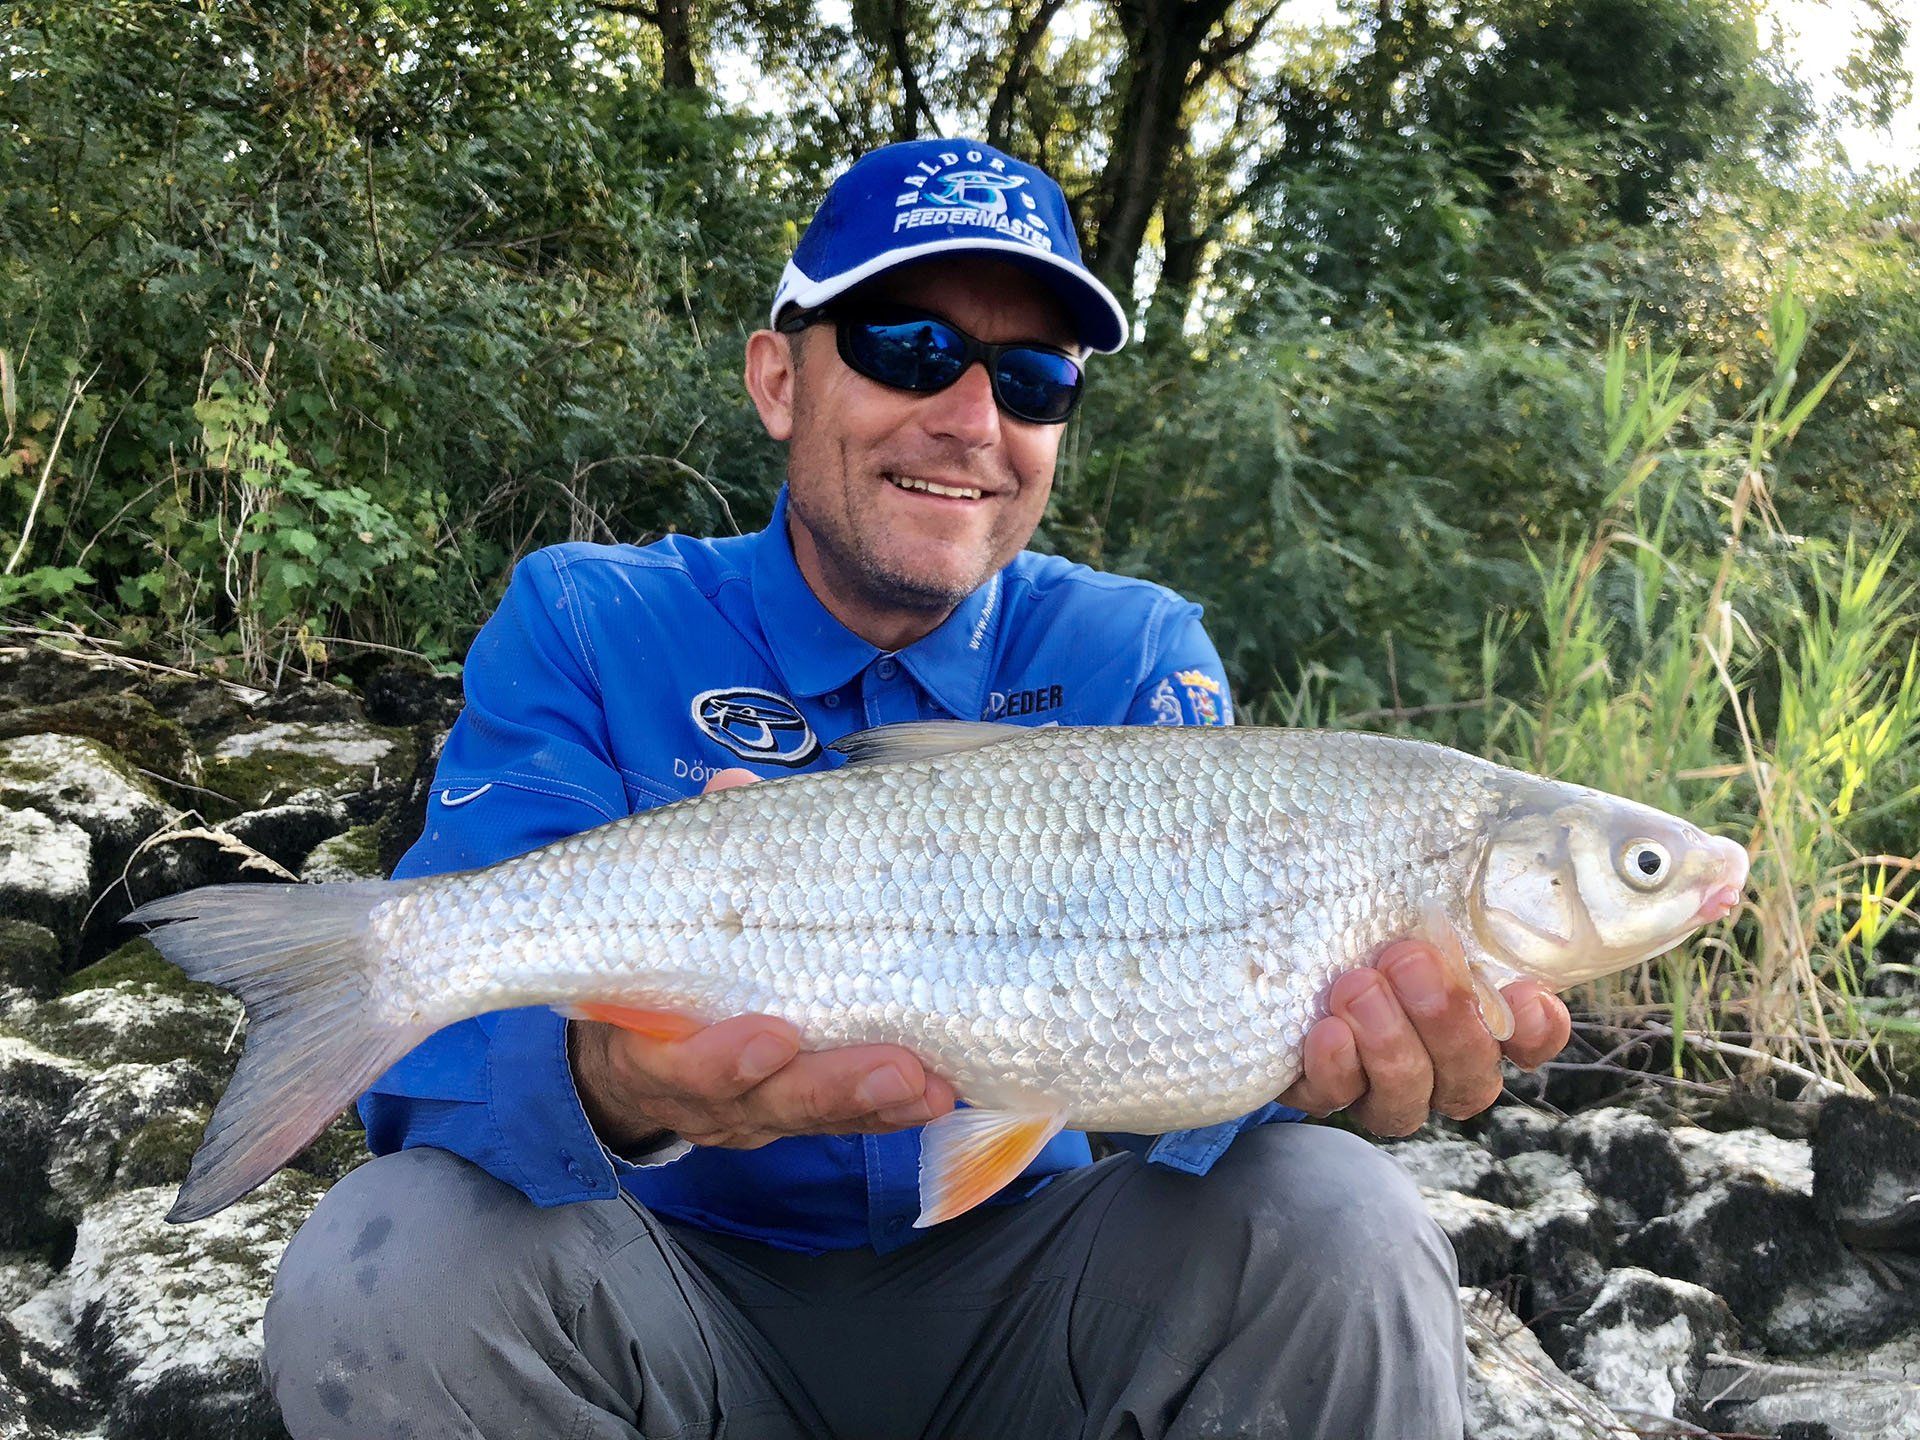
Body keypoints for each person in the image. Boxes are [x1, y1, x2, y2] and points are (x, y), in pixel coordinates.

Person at [263, 138, 1572, 1439]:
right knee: (393, 1253)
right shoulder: (587, 616)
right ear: (778, 378)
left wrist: (1305, 1065)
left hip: (1036, 1302)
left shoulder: (1135, 653)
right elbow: (418, 1067)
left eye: (1034, 376)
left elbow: (1195, 1127)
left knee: (1343, 1218)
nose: (971, 417)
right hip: (662, 1297)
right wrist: (622, 1075)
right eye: (907, 346)